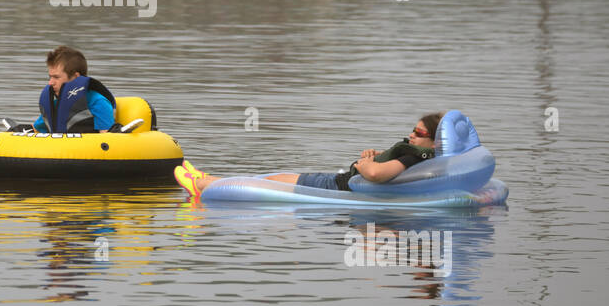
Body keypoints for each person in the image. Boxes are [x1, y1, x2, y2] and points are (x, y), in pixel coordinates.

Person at [176, 112, 444, 198]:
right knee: (270, 177)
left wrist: (366, 163)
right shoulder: (422, 157)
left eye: (418, 133)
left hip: (331, 187)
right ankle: (209, 178)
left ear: (432, 142)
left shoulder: (415, 157)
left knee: (269, 182)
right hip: (336, 183)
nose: (411, 136)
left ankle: (200, 186)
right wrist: (376, 155)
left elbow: (374, 174)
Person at [28, 46, 118, 134]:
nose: (50, 83)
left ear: (75, 78)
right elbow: (37, 130)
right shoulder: (56, 103)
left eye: (56, 77)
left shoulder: (98, 102)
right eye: (50, 77)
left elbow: (107, 139)